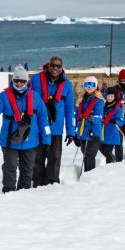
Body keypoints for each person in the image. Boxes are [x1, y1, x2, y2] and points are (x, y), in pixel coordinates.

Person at [0, 66, 51, 192]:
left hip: (30, 141)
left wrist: (46, 139)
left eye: (21, 81)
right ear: (12, 81)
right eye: (16, 81)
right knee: (10, 168)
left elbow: (43, 120)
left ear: (26, 82)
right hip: (9, 140)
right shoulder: (4, 96)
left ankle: (24, 193)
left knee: (27, 169)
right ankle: (9, 192)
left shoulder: (36, 97)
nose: (18, 83)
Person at [29, 56, 75, 186]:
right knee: (37, 158)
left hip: (56, 129)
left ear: (62, 68)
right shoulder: (36, 80)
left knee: (54, 158)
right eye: (53, 65)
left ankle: (52, 184)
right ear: (48, 66)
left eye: (58, 66)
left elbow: (69, 110)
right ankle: (37, 183)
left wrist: (71, 131)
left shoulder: (66, 85)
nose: (55, 68)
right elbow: (25, 95)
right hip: (38, 127)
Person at [74, 76, 104, 173]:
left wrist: (92, 117)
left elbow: (99, 116)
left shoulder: (98, 100)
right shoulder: (81, 100)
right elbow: (77, 116)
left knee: (90, 155)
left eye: (92, 85)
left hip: (93, 132)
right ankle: (85, 173)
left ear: (96, 87)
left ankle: (90, 175)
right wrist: (76, 132)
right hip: (82, 132)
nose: (89, 87)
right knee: (85, 154)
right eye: (87, 84)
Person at [99, 86, 124, 164]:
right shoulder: (104, 107)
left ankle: (111, 164)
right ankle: (111, 161)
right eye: (109, 96)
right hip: (103, 132)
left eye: (112, 96)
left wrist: (115, 120)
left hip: (111, 133)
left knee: (107, 151)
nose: (110, 98)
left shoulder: (117, 108)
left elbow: (121, 120)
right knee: (101, 148)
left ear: (115, 97)